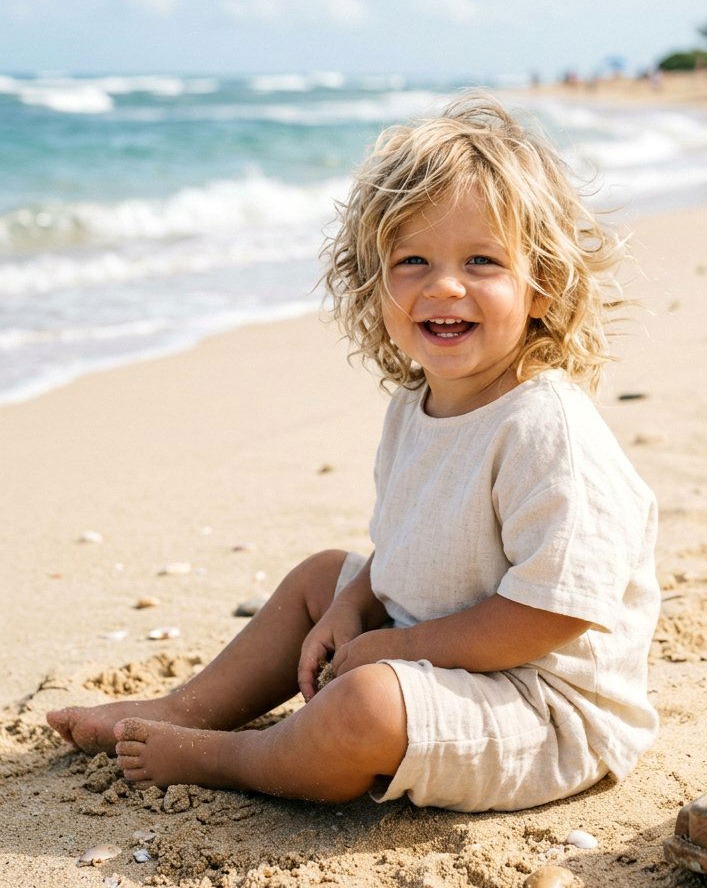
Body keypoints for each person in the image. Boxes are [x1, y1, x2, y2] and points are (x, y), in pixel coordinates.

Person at [47, 94, 660, 812]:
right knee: (320, 580)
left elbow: (553, 615)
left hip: (542, 706)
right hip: (442, 653)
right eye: (413, 261)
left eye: (482, 261)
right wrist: (357, 604)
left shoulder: (545, 426)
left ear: (541, 287)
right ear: (374, 287)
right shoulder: (414, 410)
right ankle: (190, 708)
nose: (444, 285)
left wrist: (395, 650)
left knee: (365, 705)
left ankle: (231, 756)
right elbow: (405, 550)